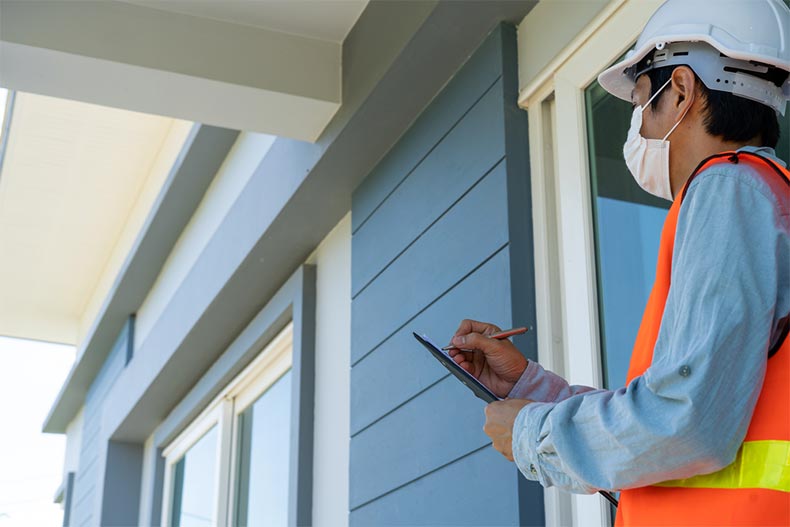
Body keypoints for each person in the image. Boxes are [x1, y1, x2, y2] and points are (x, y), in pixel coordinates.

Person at [448, 1, 790, 525]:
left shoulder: (729, 190)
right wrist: (530, 390)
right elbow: (676, 415)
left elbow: (687, 420)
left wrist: (533, 434)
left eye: (641, 101)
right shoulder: (755, 195)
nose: (637, 126)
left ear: (680, 91)